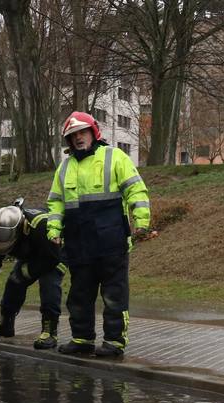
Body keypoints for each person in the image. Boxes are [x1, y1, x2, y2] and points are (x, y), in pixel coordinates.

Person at [46, 111, 151, 359]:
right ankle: (82, 340)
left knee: (114, 295)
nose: (78, 138)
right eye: (73, 135)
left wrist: (142, 221)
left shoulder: (115, 157)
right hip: (79, 244)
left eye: (82, 132)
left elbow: (136, 190)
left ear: (94, 133)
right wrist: (53, 230)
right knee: (79, 295)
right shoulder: (64, 168)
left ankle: (114, 342)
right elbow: (56, 203)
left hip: (111, 242)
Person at [0, 200, 65, 350]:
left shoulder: (40, 225)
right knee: (14, 282)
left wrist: (26, 272)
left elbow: (51, 259)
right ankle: (5, 324)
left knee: (48, 284)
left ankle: (49, 331)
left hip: (55, 251)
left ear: (18, 230)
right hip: (33, 252)